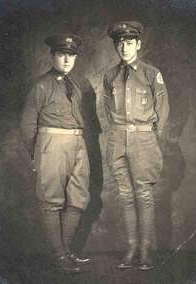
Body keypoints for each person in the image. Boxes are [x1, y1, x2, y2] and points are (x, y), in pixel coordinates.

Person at [102, 21, 170, 270]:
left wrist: (149, 138)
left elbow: (162, 110)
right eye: (119, 42)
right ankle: (131, 249)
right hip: (117, 139)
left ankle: (145, 251)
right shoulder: (110, 75)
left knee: (143, 194)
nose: (124, 47)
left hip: (144, 140)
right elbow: (108, 109)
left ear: (138, 44)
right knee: (126, 196)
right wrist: (119, 133)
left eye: (129, 42)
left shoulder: (151, 74)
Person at [20, 34, 91, 273]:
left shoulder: (76, 85)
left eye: (72, 55)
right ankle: (58, 256)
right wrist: (38, 154)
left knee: (79, 198)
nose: (68, 59)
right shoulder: (41, 85)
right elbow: (28, 125)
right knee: (51, 200)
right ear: (52, 56)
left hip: (77, 143)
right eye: (62, 54)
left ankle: (66, 251)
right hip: (52, 144)